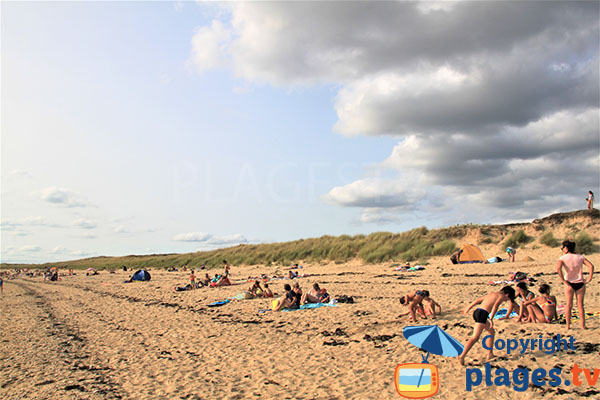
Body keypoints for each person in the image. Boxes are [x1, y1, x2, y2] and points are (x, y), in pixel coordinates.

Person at [458, 286, 516, 366]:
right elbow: (496, 306)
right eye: (507, 299)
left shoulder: (492, 293)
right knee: (475, 337)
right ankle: (462, 355)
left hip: (477, 312)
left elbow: (477, 300)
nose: (506, 300)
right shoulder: (501, 296)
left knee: (491, 332)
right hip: (483, 314)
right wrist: (491, 318)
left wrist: (468, 308)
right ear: (507, 294)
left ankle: (490, 354)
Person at [557, 240, 594, 329]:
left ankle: (568, 326)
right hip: (580, 282)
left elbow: (558, 269)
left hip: (569, 283)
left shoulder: (563, 258)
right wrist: (589, 278)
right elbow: (591, 266)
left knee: (569, 305)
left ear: (566, 248)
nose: (562, 249)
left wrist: (563, 280)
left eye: (562, 248)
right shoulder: (580, 257)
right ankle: (583, 325)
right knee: (580, 306)